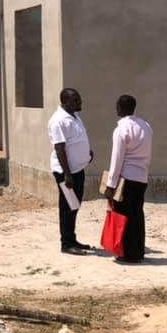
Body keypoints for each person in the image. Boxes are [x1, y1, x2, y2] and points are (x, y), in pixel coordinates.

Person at [104, 94, 153, 263]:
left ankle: (128, 253)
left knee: (123, 216)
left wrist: (110, 184)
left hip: (126, 179)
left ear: (119, 108)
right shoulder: (146, 126)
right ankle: (138, 251)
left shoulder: (121, 129)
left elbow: (117, 159)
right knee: (137, 215)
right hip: (142, 178)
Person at [48, 88, 94, 255]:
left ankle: (72, 239)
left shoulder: (74, 116)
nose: (79, 102)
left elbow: (76, 140)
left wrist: (87, 152)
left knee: (75, 205)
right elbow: (60, 149)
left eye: (79, 99)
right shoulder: (58, 120)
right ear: (65, 102)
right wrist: (67, 174)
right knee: (68, 206)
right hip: (66, 172)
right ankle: (66, 244)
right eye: (75, 100)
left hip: (78, 169)